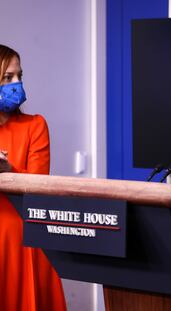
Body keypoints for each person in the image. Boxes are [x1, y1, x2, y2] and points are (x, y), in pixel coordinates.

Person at [0, 44, 66, 310]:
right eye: (7, 78)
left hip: (22, 238)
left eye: (19, 76)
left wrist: (9, 172)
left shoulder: (35, 125)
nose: (17, 83)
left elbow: (39, 183)